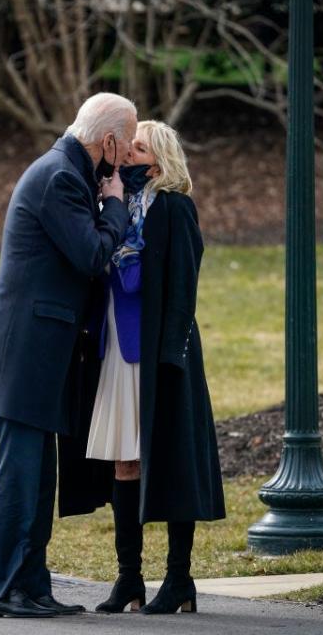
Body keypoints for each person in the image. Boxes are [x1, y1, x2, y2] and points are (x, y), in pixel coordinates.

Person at [0, 92, 137, 618]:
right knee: (20, 473)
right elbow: (91, 254)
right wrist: (115, 206)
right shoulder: (61, 176)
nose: (128, 157)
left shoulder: (67, 171)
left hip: (40, 349)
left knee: (38, 476)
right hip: (25, 348)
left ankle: (31, 587)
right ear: (107, 141)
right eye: (126, 144)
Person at [73, 120, 226, 614]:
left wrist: (172, 355)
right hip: (119, 347)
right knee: (125, 462)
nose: (127, 155)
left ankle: (179, 580)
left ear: (157, 160)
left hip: (163, 354)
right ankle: (128, 581)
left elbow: (184, 286)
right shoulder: (116, 209)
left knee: (171, 458)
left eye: (137, 148)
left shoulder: (174, 209)